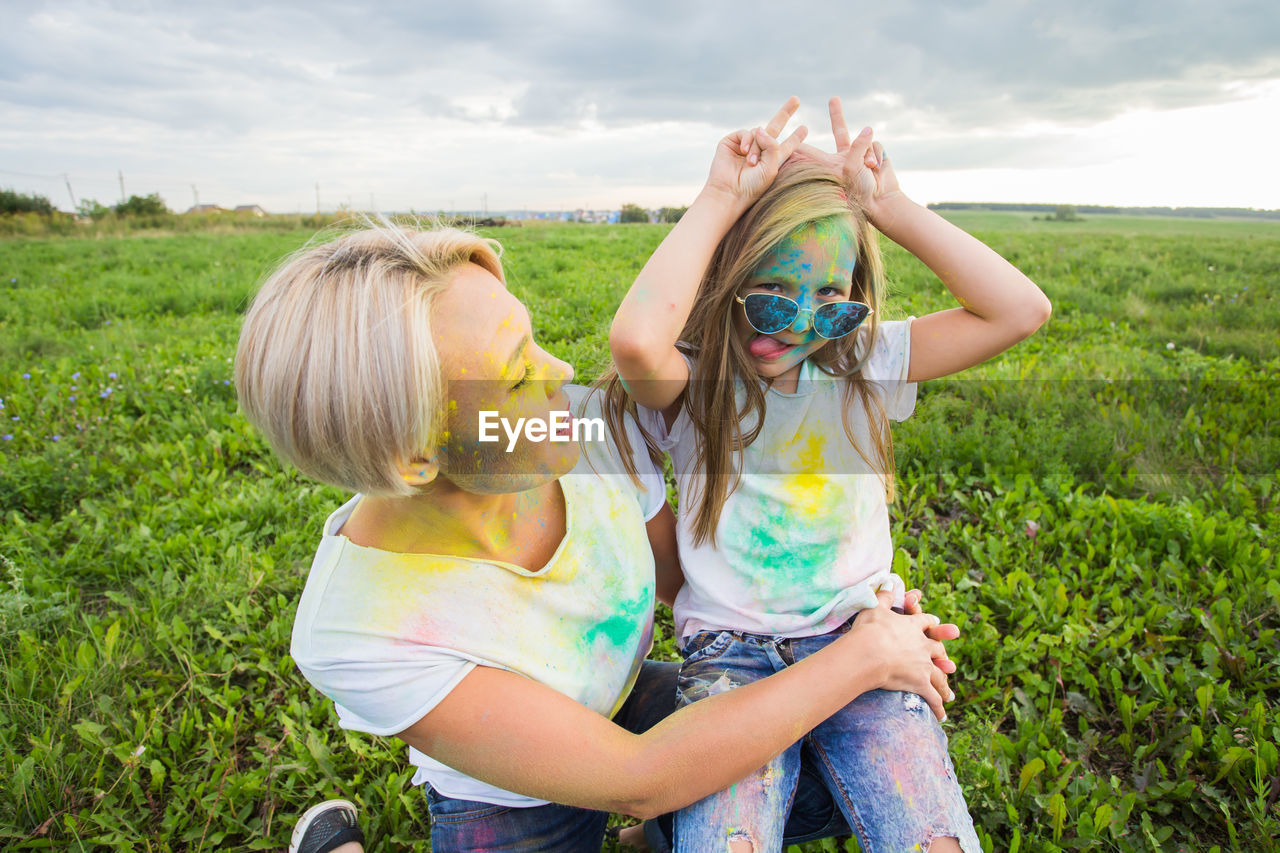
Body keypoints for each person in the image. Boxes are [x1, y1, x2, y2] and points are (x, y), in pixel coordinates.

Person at [234, 206, 961, 853]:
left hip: (622, 702)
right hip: (515, 797)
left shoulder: (584, 429)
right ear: (414, 457)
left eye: (532, 342)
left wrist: (838, 612)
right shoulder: (358, 626)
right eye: (516, 378)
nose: (560, 371)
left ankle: (668, 833)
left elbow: (682, 576)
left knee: (838, 753)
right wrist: (863, 659)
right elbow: (635, 777)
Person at [607, 96, 1052, 852]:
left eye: (830, 300)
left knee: (933, 836)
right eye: (772, 293)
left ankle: (660, 832)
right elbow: (636, 343)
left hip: (865, 632)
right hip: (730, 656)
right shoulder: (697, 383)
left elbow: (1020, 310)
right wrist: (721, 199)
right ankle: (665, 831)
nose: (801, 323)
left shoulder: (864, 363)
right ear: (728, 273)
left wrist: (892, 207)